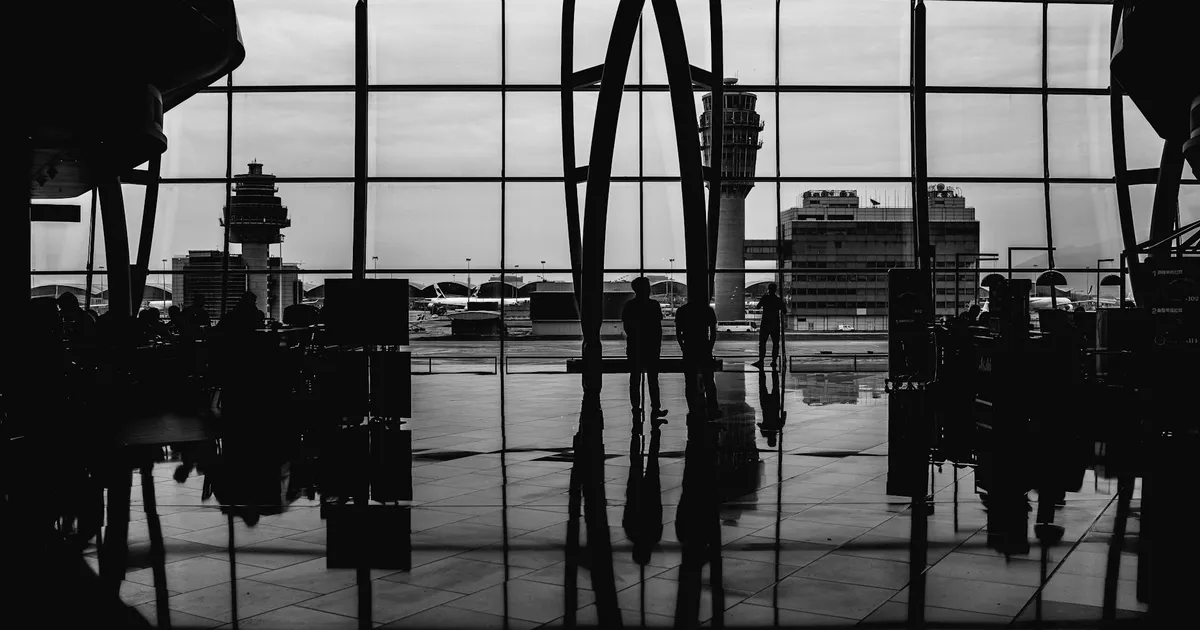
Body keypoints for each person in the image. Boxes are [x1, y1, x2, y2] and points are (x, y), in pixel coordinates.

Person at [622, 277, 667, 421]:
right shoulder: (654, 305)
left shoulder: (629, 306)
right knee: (653, 380)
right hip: (651, 347)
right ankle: (655, 408)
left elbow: (627, 327)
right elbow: (657, 328)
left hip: (635, 347)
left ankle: (636, 408)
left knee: (635, 379)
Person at [675, 299, 720, 417]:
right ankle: (712, 407)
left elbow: (678, 332)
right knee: (709, 380)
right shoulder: (708, 310)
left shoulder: (682, 310)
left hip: (689, 348)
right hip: (704, 347)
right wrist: (710, 346)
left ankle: (693, 409)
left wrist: (683, 347)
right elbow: (713, 332)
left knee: (689, 381)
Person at [751, 283, 786, 370]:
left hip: (765, 323)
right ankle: (774, 361)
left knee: (762, 344)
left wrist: (763, 296)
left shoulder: (765, 298)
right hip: (775, 324)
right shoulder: (778, 300)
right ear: (775, 290)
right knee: (775, 344)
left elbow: (758, 307)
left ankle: (761, 360)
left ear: (768, 289)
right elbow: (784, 311)